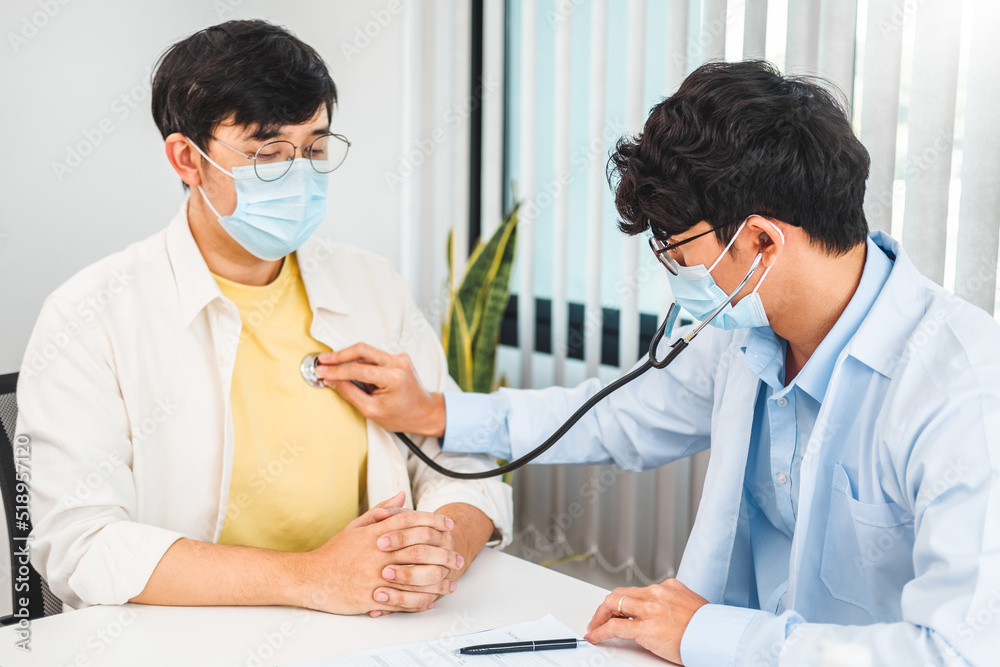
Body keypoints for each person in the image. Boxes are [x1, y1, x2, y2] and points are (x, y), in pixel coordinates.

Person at [314, 61, 1000, 665]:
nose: (674, 272)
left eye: (680, 253)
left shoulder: (961, 387)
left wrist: (712, 635)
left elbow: (957, 650)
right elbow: (617, 417)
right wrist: (436, 411)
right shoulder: (748, 330)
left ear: (762, 240)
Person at [18, 19, 511, 618]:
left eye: (316, 148)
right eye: (268, 153)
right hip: (183, 638)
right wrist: (313, 578)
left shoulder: (370, 285)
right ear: (187, 159)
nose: (299, 173)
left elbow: (462, 463)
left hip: (372, 623)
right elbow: (81, 545)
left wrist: (437, 554)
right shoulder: (89, 315)